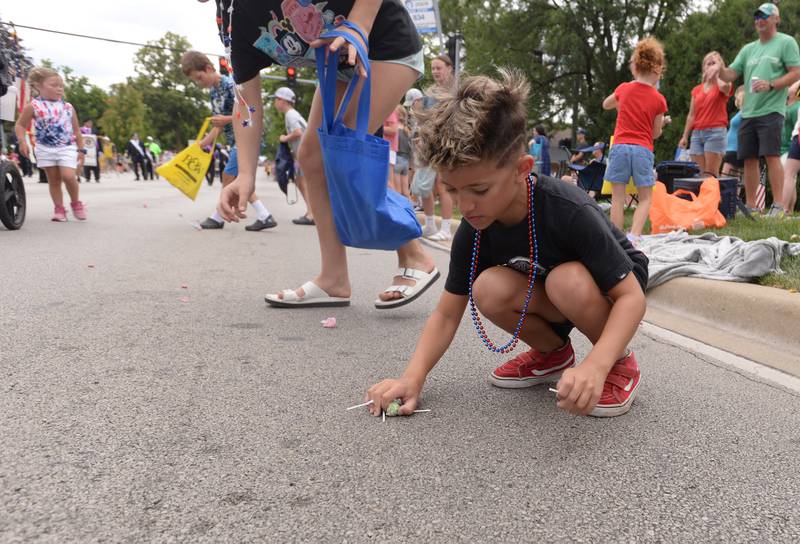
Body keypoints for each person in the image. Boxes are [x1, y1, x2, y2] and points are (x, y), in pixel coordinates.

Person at [363, 70, 648, 419]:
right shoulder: (474, 227)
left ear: (521, 169)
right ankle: (553, 354)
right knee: (487, 288)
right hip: (547, 286)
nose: (465, 206)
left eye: (479, 190)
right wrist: (412, 377)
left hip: (610, 288)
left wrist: (597, 365)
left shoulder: (568, 209)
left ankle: (620, 363)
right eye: (452, 190)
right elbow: (446, 313)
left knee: (566, 280)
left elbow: (631, 298)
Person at [216, 0, 439, 310]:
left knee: (340, 148)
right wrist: (246, 174)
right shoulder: (231, 19)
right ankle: (333, 278)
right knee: (311, 158)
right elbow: (246, 101)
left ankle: (415, 256)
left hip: (385, 45)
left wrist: (359, 25)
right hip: (338, 63)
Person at [713, 3, 800, 216]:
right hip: (748, 112)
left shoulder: (786, 42)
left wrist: (771, 84)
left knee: (771, 155)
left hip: (772, 110)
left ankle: (778, 205)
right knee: (749, 159)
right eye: (757, 16)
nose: (759, 19)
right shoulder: (748, 49)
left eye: (765, 15)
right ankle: (751, 206)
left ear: (776, 19)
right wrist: (719, 66)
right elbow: (730, 75)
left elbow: (796, 72)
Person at [181, 50, 276, 231]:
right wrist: (202, 144)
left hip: (246, 138)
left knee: (228, 176)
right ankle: (265, 215)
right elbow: (218, 126)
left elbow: (248, 110)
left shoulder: (228, 85)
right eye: (195, 81)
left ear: (209, 68)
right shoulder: (213, 93)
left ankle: (218, 216)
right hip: (235, 142)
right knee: (240, 181)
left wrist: (225, 119)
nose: (198, 83)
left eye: (199, 78)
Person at [602, 37, 668, 243]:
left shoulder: (624, 89)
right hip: (642, 149)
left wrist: (623, 102)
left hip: (620, 147)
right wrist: (662, 123)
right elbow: (655, 134)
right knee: (645, 197)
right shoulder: (659, 99)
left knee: (618, 198)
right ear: (657, 69)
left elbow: (605, 104)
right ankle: (634, 237)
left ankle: (615, 239)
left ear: (635, 66)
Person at [14, 67, 87, 222]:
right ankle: (59, 209)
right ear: (38, 86)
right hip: (45, 148)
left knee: (68, 176)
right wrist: (22, 142)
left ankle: (76, 203)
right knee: (53, 180)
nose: (59, 88)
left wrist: (81, 150)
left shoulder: (68, 107)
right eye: (53, 85)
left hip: (66, 147)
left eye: (61, 85)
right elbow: (20, 125)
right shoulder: (33, 106)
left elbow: (77, 131)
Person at [419, 54, 457, 242]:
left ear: (449, 68)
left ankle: (447, 228)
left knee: (442, 185)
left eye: (438, 68)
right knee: (426, 186)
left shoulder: (456, 90)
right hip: (429, 143)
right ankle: (430, 224)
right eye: (433, 68)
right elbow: (424, 118)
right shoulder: (430, 92)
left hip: (447, 142)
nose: (435, 71)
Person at [678, 51, 733, 175]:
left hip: (716, 133)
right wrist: (685, 136)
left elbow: (726, 88)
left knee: (711, 175)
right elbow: (692, 115)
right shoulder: (697, 89)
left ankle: (716, 195)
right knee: (698, 174)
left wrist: (718, 74)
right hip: (697, 133)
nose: (711, 66)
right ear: (704, 67)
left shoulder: (722, 84)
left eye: (714, 63)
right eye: (708, 64)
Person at [270, 87, 314, 225]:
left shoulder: (290, 114)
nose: (275, 103)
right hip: (306, 153)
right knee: (301, 182)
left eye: (276, 99)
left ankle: (312, 214)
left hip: (306, 153)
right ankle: (311, 212)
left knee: (304, 183)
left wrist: (284, 138)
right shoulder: (292, 114)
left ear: (283, 100)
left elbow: (298, 132)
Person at [722, 86, 747, 178]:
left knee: (725, 179)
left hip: (735, 150)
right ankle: (735, 192)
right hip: (732, 149)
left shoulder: (746, 111)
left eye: (738, 97)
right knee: (735, 180)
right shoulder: (740, 112)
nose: (736, 99)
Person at [394, 104, 412, 198]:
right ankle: (409, 210)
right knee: (406, 191)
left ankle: (398, 211)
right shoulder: (407, 129)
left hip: (397, 159)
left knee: (397, 191)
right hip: (406, 161)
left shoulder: (395, 128)